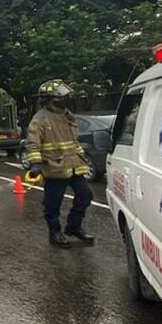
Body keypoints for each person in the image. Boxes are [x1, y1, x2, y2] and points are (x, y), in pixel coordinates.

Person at [24, 79, 94, 248]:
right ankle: (54, 233)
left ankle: (74, 227)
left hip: (74, 166)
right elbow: (32, 143)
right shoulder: (40, 119)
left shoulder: (67, 115)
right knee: (52, 204)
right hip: (54, 168)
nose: (66, 100)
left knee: (85, 195)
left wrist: (81, 157)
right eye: (62, 97)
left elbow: (73, 141)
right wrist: (36, 164)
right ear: (51, 99)